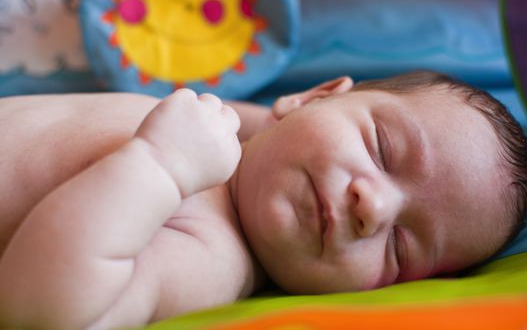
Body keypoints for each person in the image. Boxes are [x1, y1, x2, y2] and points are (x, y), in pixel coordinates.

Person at [0, 71, 525, 329]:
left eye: (401, 248)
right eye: (381, 147)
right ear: (312, 97)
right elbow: (288, 128)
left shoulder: (212, 254)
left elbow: (45, 311)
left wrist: (161, 165)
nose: (375, 209)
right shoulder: (240, 134)